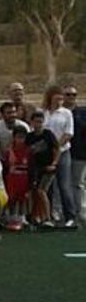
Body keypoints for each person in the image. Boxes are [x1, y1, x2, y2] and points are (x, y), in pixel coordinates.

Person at [43, 85, 77, 228]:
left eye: (61, 99)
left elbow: (68, 133)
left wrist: (56, 147)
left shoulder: (66, 114)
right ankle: (49, 216)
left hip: (62, 153)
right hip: (46, 154)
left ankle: (69, 216)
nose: (59, 102)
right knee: (47, 186)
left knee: (64, 185)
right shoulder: (43, 112)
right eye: (57, 99)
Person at [26, 111, 58, 228]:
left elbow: (56, 149)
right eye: (36, 122)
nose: (38, 124)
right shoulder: (29, 137)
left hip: (48, 168)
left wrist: (54, 163)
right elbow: (27, 152)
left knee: (41, 191)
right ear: (32, 122)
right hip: (35, 169)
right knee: (34, 192)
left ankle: (48, 218)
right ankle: (36, 216)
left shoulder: (48, 134)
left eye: (40, 122)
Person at [62, 84, 86, 222]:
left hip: (79, 153)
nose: (71, 97)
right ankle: (60, 211)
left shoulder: (83, 112)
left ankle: (81, 211)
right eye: (68, 94)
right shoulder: (58, 113)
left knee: (78, 183)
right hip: (62, 152)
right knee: (62, 184)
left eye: (73, 95)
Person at [4, 127, 31, 231]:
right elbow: (6, 165)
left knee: (23, 197)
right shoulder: (9, 151)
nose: (20, 140)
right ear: (14, 138)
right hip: (12, 177)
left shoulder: (28, 150)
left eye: (22, 138)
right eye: (18, 137)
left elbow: (31, 166)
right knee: (12, 197)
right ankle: (12, 216)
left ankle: (22, 216)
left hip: (24, 177)